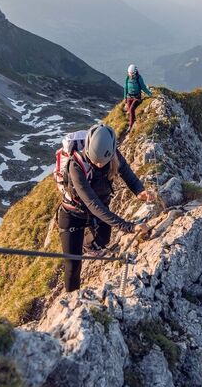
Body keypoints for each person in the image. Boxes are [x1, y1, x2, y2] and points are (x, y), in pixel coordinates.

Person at [57, 124, 154, 292]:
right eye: (95, 162)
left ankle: (87, 245)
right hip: (73, 215)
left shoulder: (113, 155)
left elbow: (128, 174)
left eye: (103, 162)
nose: (99, 165)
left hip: (98, 211)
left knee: (103, 241)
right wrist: (129, 227)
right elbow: (93, 204)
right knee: (73, 266)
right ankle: (72, 299)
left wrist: (140, 191)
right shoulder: (76, 166)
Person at [124, 64, 152, 130]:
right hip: (129, 97)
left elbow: (143, 87)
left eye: (132, 73)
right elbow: (125, 88)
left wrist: (149, 94)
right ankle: (132, 120)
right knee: (129, 111)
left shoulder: (139, 78)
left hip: (137, 97)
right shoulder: (127, 78)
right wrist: (125, 97)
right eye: (130, 73)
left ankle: (131, 126)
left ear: (135, 72)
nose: (131, 75)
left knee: (131, 109)